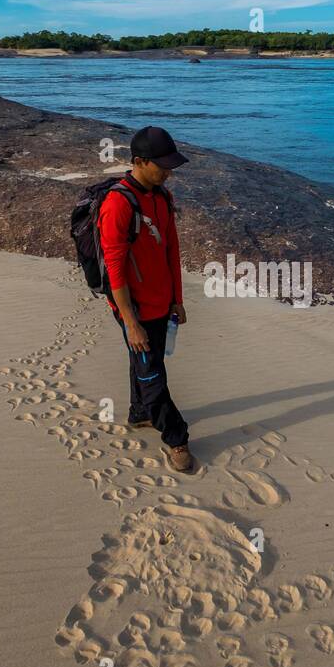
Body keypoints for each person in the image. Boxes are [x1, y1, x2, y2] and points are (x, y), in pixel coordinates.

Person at [98, 126, 195, 473]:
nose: (168, 172)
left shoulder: (162, 197)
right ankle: (176, 437)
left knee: (145, 363)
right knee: (152, 372)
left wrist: (177, 299)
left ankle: (140, 414)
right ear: (139, 162)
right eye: (162, 165)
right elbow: (115, 270)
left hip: (161, 301)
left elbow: (171, 249)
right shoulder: (118, 205)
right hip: (133, 306)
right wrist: (130, 320)